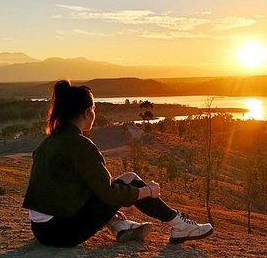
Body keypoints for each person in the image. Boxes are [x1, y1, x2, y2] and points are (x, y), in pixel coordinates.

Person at [22, 80, 213, 247]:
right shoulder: (79, 144)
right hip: (62, 233)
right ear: (88, 112)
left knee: (128, 178)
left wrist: (107, 213)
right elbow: (109, 194)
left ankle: (118, 225)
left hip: (42, 230)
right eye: (94, 110)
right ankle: (180, 226)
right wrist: (147, 191)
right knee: (131, 181)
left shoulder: (50, 142)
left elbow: (69, 188)